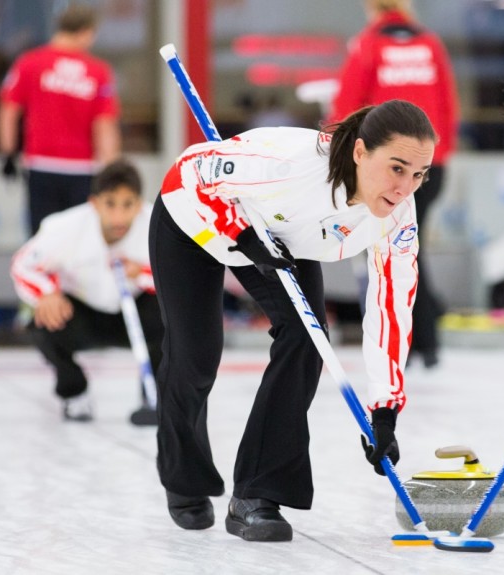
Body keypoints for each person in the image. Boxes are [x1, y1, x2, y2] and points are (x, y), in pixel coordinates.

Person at [150, 100, 435, 541]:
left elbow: (391, 307)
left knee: (307, 339)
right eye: (396, 168)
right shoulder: (288, 165)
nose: (405, 188)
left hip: (280, 237)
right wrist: (241, 236)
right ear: (360, 152)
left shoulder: (399, 215)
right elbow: (190, 174)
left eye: (418, 175)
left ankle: (256, 494)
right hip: (196, 220)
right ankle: (184, 477)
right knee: (195, 356)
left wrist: (385, 408)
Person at [330, 0, 458, 368]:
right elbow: (449, 106)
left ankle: (411, 341)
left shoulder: (368, 44)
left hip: (389, 166)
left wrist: (342, 156)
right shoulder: (430, 43)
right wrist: (438, 158)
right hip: (430, 165)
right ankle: (423, 340)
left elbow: (347, 107)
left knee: (395, 251)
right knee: (409, 247)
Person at [10, 159, 161, 424]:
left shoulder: (157, 227)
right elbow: (22, 265)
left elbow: (179, 278)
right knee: (42, 321)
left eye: (128, 205)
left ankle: (156, 396)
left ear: (139, 204)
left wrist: (143, 273)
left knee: (172, 315)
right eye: (110, 204)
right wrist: (47, 292)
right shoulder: (64, 228)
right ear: (94, 203)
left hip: (134, 315)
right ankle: (74, 392)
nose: (119, 216)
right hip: (81, 314)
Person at [0, 3, 121, 235]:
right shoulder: (98, 71)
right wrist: (112, 169)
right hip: (82, 168)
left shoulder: (29, 63)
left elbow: (8, 111)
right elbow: (104, 125)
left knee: (42, 236)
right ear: (85, 32)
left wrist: (8, 152)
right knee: (80, 237)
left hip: (41, 164)